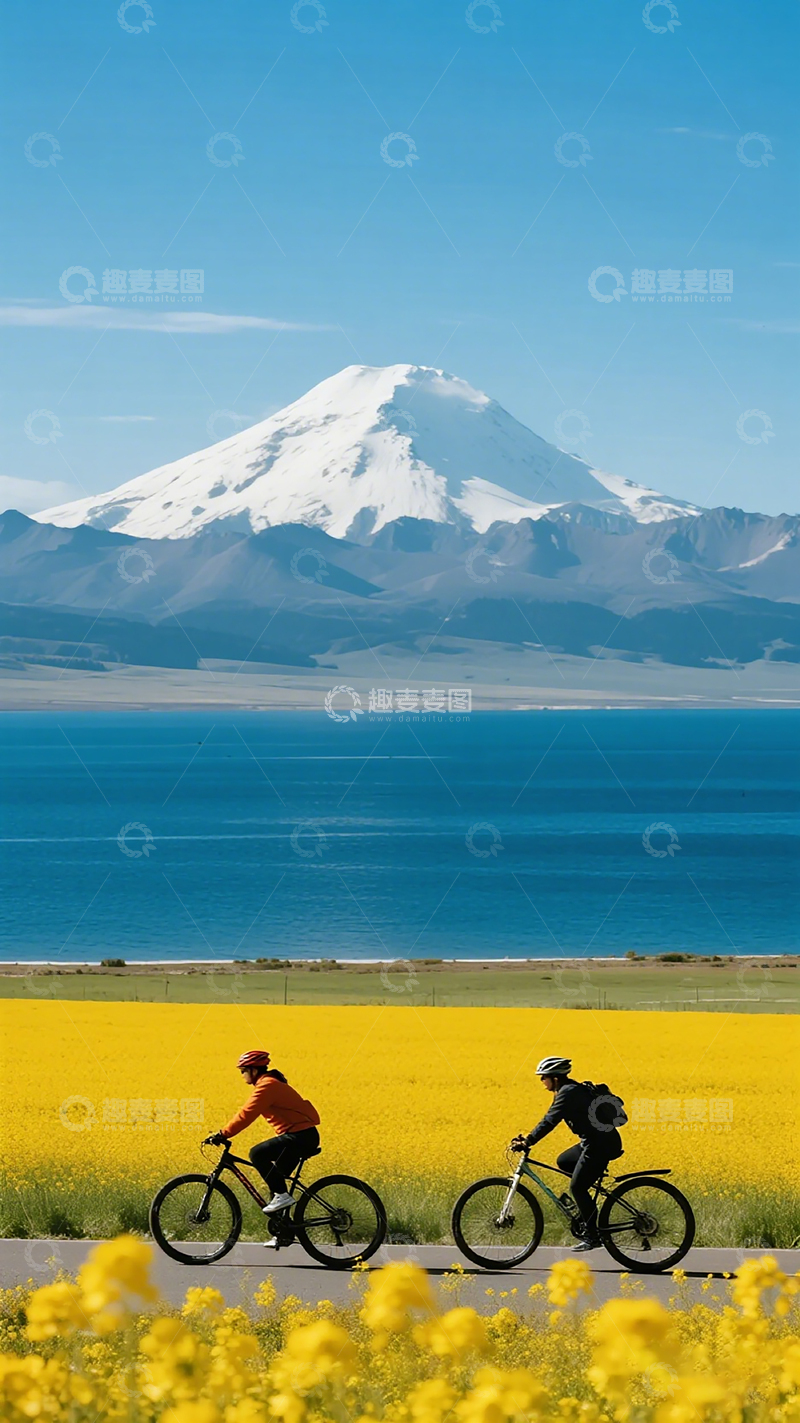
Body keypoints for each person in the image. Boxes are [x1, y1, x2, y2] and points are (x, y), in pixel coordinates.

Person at [511, 1055, 624, 1253]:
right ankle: (586, 1206)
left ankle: (592, 1235)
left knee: (577, 1188)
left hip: (601, 1144)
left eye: (544, 1077)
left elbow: (549, 1121)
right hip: (592, 1142)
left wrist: (528, 1141)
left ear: (555, 1078)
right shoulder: (566, 1090)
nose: (541, 1081)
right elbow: (550, 1119)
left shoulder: (568, 1093)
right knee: (564, 1161)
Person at [207, 1049, 320, 1217]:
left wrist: (223, 1134)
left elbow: (246, 1114)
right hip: (301, 1136)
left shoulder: (268, 1086)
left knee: (257, 1153)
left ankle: (282, 1197)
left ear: (254, 1070)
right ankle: (284, 1227)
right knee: (276, 1181)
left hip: (300, 1137)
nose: (242, 1075)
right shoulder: (268, 1084)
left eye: (243, 1071)